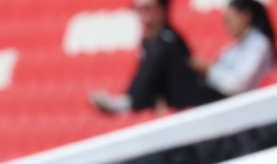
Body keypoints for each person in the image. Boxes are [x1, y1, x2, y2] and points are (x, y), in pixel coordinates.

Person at [90, 0, 218, 114]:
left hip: (199, 105)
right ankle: (130, 101)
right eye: (138, 9)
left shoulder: (168, 40)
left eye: (147, 9)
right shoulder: (150, 42)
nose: (142, 14)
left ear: (162, 9)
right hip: (182, 108)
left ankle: (128, 101)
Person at [190, 0, 277, 98]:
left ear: (246, 16)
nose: (226, 26)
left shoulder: (260, 44)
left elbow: (237, 85)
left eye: (229, 20)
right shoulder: (233, 48)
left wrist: (209, 70)